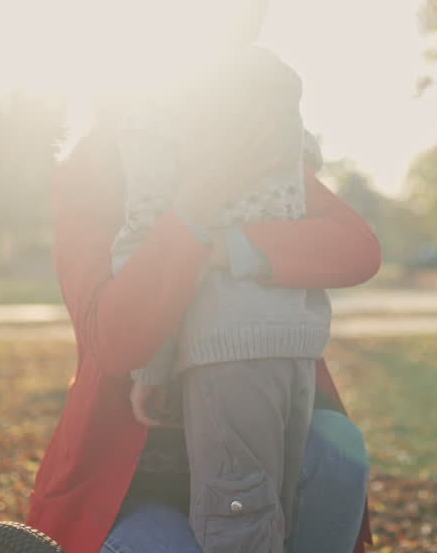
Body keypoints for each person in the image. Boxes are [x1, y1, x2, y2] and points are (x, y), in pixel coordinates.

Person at [25, 108, 380, 553]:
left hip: (264, 436)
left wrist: (225, 245)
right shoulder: (92, 177)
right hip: (135, 478)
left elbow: (356, 246)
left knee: (338, 451)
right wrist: (194, 208)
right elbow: (116, 342)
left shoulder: (244, 154)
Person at [114, 45, 322, 552]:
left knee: (236, 529)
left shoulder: (155, 109)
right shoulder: (276, 93)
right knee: (274, 520)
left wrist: (151, 369)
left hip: (224, 351)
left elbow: (151, 246)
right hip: (295, 343)